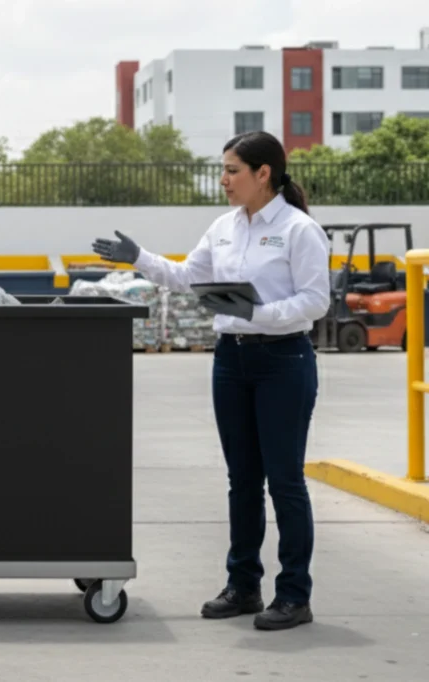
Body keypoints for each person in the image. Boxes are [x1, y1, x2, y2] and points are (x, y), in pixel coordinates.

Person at [92, 131, 330, 632]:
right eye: (222, 169)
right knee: (242, 481)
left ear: (263, 173)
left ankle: (294, 595)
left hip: (283, 362)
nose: (222, 180)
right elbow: (186, 277)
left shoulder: (298, 230)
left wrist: (256, 314)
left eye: (231, 170)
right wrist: (138, 257)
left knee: (285, 482)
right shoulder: (223, 227)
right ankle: (243, 586)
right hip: (231, 363)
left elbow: (315, 302)